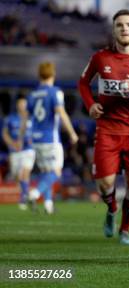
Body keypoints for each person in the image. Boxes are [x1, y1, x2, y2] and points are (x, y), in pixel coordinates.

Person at [78, 9, 129, 245]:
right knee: (104, 184)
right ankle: (112, 209)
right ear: (113, 30)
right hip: (107, 130)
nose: (124, 28)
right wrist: (90, 104)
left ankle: (125, 230)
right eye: (119, 25)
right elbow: (83, 83)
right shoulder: (100, 58)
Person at [26, 62, 79, 214]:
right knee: (55, 172)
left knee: (46, 172)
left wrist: (25, 135)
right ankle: (34, 194)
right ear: (53, 74)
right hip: (50, 138)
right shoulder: (55, 92)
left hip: (35, 139)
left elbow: (27, 118)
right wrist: (72, 133)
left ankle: (48, 205)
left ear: (39, 75)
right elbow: (61, 113)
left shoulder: (32, 94)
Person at [2, 94, 34, 210]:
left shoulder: (31, 118)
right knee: (17, 176)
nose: (22, 106)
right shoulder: (10, 118)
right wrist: (12, 143)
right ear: (17, 105)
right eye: (20, 104)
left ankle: (23, 198)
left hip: (28, 150)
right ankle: (25, 192)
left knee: (25, 173)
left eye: (24, 104)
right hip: (15, 151)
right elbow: (5, 134)